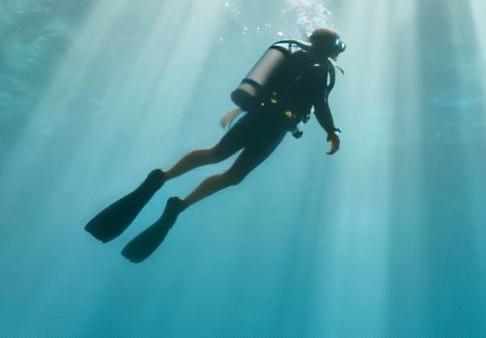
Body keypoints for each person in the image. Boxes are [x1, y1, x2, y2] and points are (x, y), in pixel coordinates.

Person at [87, 27, 345, 262]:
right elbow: (319, 103)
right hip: (274, 128)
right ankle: (181, 205)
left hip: (256, 116)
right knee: (234, 175)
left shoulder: (292, 54)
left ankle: (161, 178)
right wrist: (331, 131)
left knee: (216, 154)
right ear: (332, 48)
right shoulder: (321, 69)